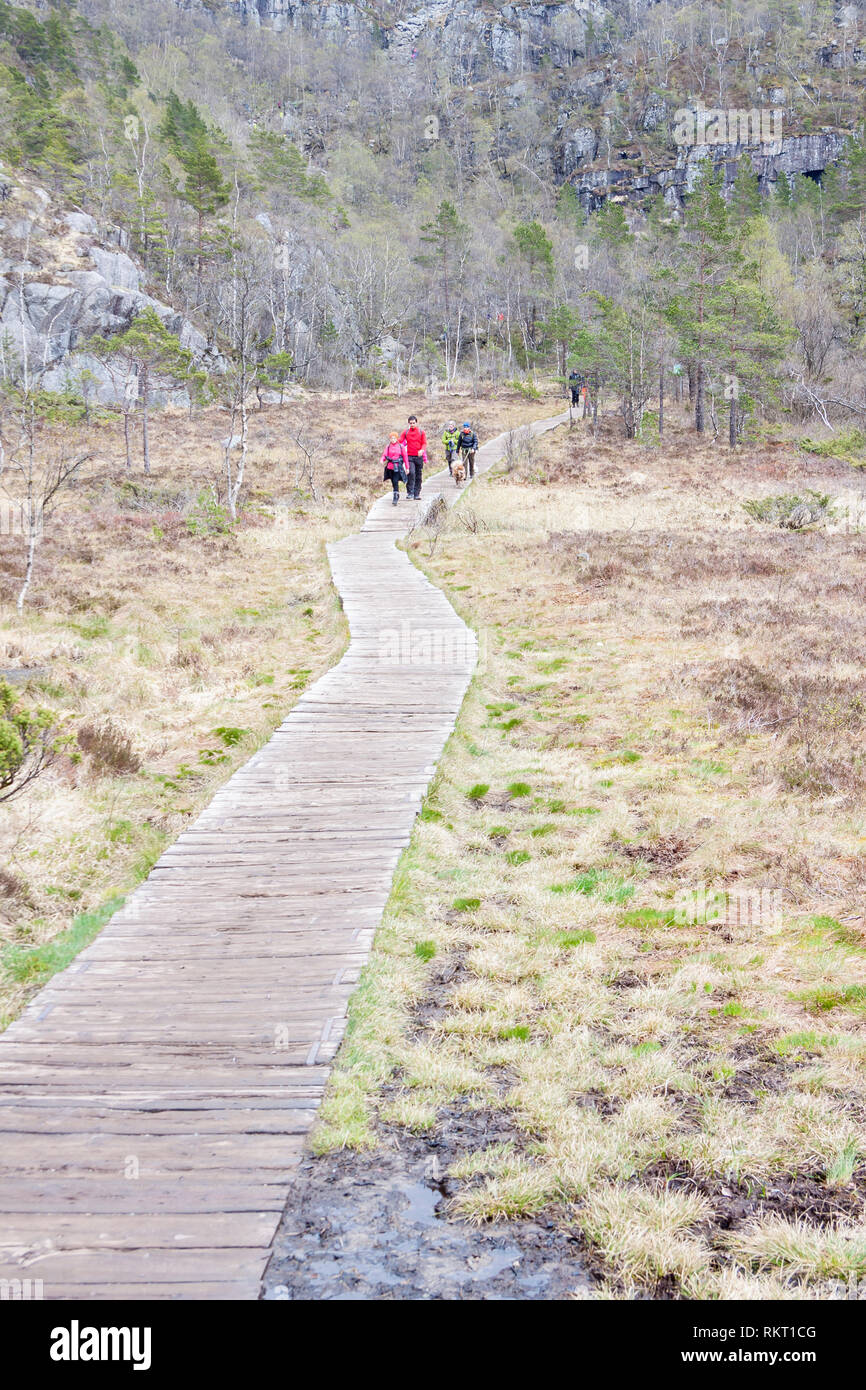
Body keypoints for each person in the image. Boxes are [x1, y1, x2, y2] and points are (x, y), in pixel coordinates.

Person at [399, 415, 427, 499]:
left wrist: (422, 450)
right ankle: (410, 492)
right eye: (410, 423)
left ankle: (417, 493)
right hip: (409, 456)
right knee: (411, 473)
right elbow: (400, 441)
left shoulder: (421, 432)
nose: (412, 425)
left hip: (419, 457)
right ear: (408, 423)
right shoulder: (406, 432)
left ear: (416, 423)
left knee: (418, 475)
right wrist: (393, 442)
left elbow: (424, 443)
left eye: (413, 423)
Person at [381, 431, 408, 505]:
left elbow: (405, 457)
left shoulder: (401, 446)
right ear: (390, 439)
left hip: (398, 467)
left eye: (394, 438)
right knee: (393, 482)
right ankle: (396, 492)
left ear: (397, 438)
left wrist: (407, 467)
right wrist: (382, 460)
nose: (393, 439)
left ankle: (395, 497)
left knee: (395, 481)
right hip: (390, 467)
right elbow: (384, 455)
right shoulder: (388, 446)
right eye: (391, 438)